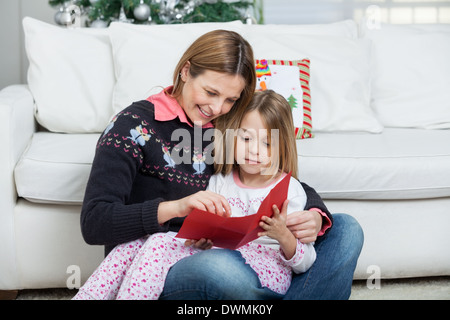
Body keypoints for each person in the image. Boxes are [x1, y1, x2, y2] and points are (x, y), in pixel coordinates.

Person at [76, 29, 364, 300]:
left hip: (236, 253)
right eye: (211, 92)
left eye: (230, 99)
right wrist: (176, 208)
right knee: (220, 267)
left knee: (345, 229)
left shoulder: (224, 125)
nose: (217, 108)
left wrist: (314, 214)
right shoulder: (132, 126)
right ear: (186, 71)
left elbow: (270, 176)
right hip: (157, 264)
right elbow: (95, 222)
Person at [74, 90, 316, 300]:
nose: (254, 150)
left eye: (267, 143)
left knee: (163, 245)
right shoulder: (220, 180)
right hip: (217, 256)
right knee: (138, 243)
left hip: (264, 270)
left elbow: (306, 261)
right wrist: (203, 238)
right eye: (245, 138)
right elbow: (206, 229)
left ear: (283, 145)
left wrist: (284, 236)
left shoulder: (290, 190)